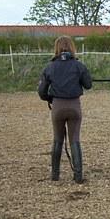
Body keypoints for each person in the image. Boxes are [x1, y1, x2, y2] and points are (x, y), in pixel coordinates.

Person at [38, 36, 92, 183]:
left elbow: (41, 91)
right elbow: (88, 85)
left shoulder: (50, 67)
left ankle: (55, 175)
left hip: (58, 107)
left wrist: (50, 99)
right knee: (75, 139)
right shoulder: (79, 65)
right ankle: (78, 175)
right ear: (72, 48)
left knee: (57, 140)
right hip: (74, 107)